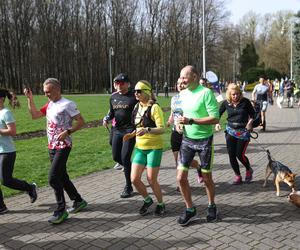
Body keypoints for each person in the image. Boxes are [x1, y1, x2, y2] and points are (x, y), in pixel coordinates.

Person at [24, 78, 87, 224]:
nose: (46, 94)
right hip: (51, 146)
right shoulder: (50, 104)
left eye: (48, 92)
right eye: (44, 92)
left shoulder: (68, 104)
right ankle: (78, 201)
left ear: (57, 90)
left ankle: (61, 210)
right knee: (62, 176)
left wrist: (68, 132)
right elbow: (34, 115)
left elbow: (82, 121)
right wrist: (30, 99)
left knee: (53, 178)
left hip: (63, 146)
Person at [176, 65, 219, 226]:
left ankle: (211, 205)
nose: (181, 80)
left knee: (207, 178)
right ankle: (190, 209)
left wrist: (191, 121)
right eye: (180, 77)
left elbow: (215, 118)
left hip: (204, 141)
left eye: (184, 77)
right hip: (187, 140)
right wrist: (179, 124)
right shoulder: (182, 93)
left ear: (194, 77)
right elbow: (181, 114)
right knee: (180, 178)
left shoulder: (206, 93)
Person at [130, 80, 166, 216]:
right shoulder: (136, 107)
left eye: (139, 91)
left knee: (151, 179)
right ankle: (147, 199)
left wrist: (147, 129)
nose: (136, 93)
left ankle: (161, 203)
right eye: (135, 91)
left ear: (146, 92)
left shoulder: (154, 108)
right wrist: (132, 134)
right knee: (134, 179)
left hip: (154, 148)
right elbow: (137, 127)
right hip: (140, 147)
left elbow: (162, 129)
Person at [0, 89, 37, 214]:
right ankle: (1, 206)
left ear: (1, 99)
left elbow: (13, 131)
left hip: (7, 151)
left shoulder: (6, 113)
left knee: (6, 180)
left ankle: (29, 187)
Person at [103, 73, 137, 198]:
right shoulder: (113, 97)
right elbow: (112, 113)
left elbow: (147, 104)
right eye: (116, 83)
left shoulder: (134, 96)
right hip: (117, 130)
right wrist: (106, 118)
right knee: (116, 157)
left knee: (125, 157)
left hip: (130, 131)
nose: (118, 85)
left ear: (128, 84)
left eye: (121, 83)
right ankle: (132, 168)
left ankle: (129, 186)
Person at [215, 83, 255, 185]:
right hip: (230, 131)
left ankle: (248, 169)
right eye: (233, 94)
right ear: (229, 94)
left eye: (237, 94)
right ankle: (237, 175)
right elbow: (217, 114)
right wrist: (217, 123)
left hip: (243, 131)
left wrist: (250, 122)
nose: (235, 96)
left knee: (239, 154)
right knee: (231, 155)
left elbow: (253, 114)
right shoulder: (226, 103)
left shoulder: (245, 102)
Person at [166, 80, 203, 188]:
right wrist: (169, 121)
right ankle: (182, 181)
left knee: (185, 160)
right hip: (176, 131)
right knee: (177, 159)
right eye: (178, 84)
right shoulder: (174, 98)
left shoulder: (192, 98)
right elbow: (173, 113)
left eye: (182, 83)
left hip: (188, 132)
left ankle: (195, 170)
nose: (180, 86)